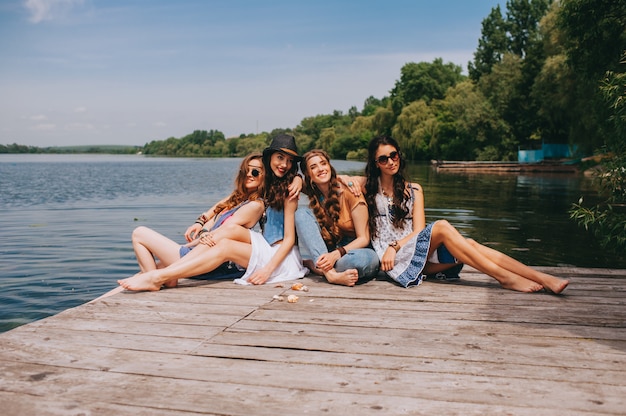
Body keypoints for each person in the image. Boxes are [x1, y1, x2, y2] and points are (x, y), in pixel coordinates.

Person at [351, 135, 570, 293]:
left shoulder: (414, 189)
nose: (390, 161)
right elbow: (333, 178)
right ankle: (505, 278)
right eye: (383, 159)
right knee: (443, 226)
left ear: (399, 155)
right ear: (375, 163)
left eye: (393, 155)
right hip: (394, 261)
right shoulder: (368, 188)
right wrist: (352, 183)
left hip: (413, 251)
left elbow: (419, 231)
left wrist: (395, 245)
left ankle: (541, 277)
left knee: (471, 243)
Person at [117, 133, 308, 291]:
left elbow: (290, 239)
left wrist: (267, 270)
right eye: (280, 158)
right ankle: (157, 277)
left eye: (290, 161)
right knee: (228, 232)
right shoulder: (269, 186)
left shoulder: (289, 191)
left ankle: (156, 277)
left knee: (227, 238)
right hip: (264, 247)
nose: (285, 164)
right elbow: (227, 200)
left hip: (279, 256)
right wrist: (202, 223)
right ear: (270, 159)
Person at [130, 152, 266, 287]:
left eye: (255, 172)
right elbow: (214, 213)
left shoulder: (254, 205)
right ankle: (155, 279)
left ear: (264, 176)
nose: (248, 174)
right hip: (199, 251)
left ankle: (153, 282)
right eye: (245, 171)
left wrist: (189, 244)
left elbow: (224, 231)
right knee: (141, 274)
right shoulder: (238, 197)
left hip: (207, 260)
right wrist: (201, 225)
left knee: (139, 233)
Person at [295, 150, 379, 286]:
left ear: (330, 166)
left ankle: (317, 266)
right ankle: (331, 274)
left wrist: (336, 254)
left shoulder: (350, 191)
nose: (320, 169)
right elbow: (289, 177)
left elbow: (364, 238)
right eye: (313, 167)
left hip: (359, 250)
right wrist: (298, 178)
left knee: (356, 262)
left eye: (323, 163)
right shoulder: (314, 192)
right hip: (331, 252)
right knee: (301, 214)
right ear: (309, 176)